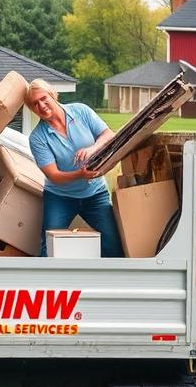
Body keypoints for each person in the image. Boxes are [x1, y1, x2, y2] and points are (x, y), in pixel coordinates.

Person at [27, 79, 124, 257]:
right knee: (48, 248)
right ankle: (49, 283)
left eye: (43, 98)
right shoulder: (37, 138)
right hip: (60, 197)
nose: (41, 105)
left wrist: (93, 149)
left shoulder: (81, 111)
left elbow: (108, 134)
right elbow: (54, 175)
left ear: (53, 95)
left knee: (114, 246)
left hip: (96, 194)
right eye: (35, 104)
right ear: (32, 109)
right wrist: (81, 174)